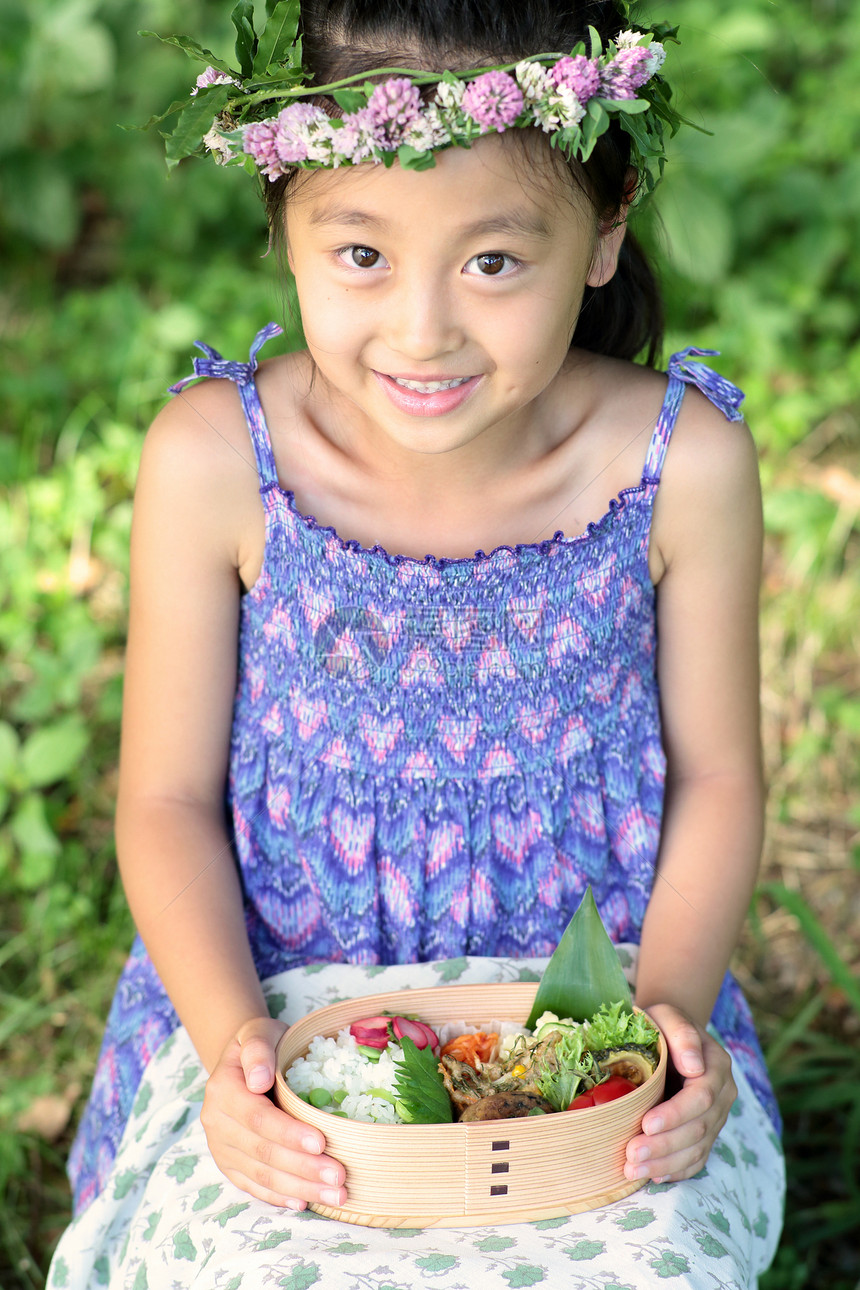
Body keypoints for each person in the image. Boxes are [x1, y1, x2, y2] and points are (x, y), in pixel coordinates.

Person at [51, 1, 784, 1285]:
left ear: (603, 231)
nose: (422, 330)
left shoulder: (677, 468)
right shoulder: (222, 462)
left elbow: (720, 777)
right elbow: (164, 801)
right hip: (284, 1013)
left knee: (632, 1261)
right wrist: (236, 1052)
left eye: (493, 263)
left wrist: (651, 1030)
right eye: (360, 256)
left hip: (587, 1017)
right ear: (283, 222)